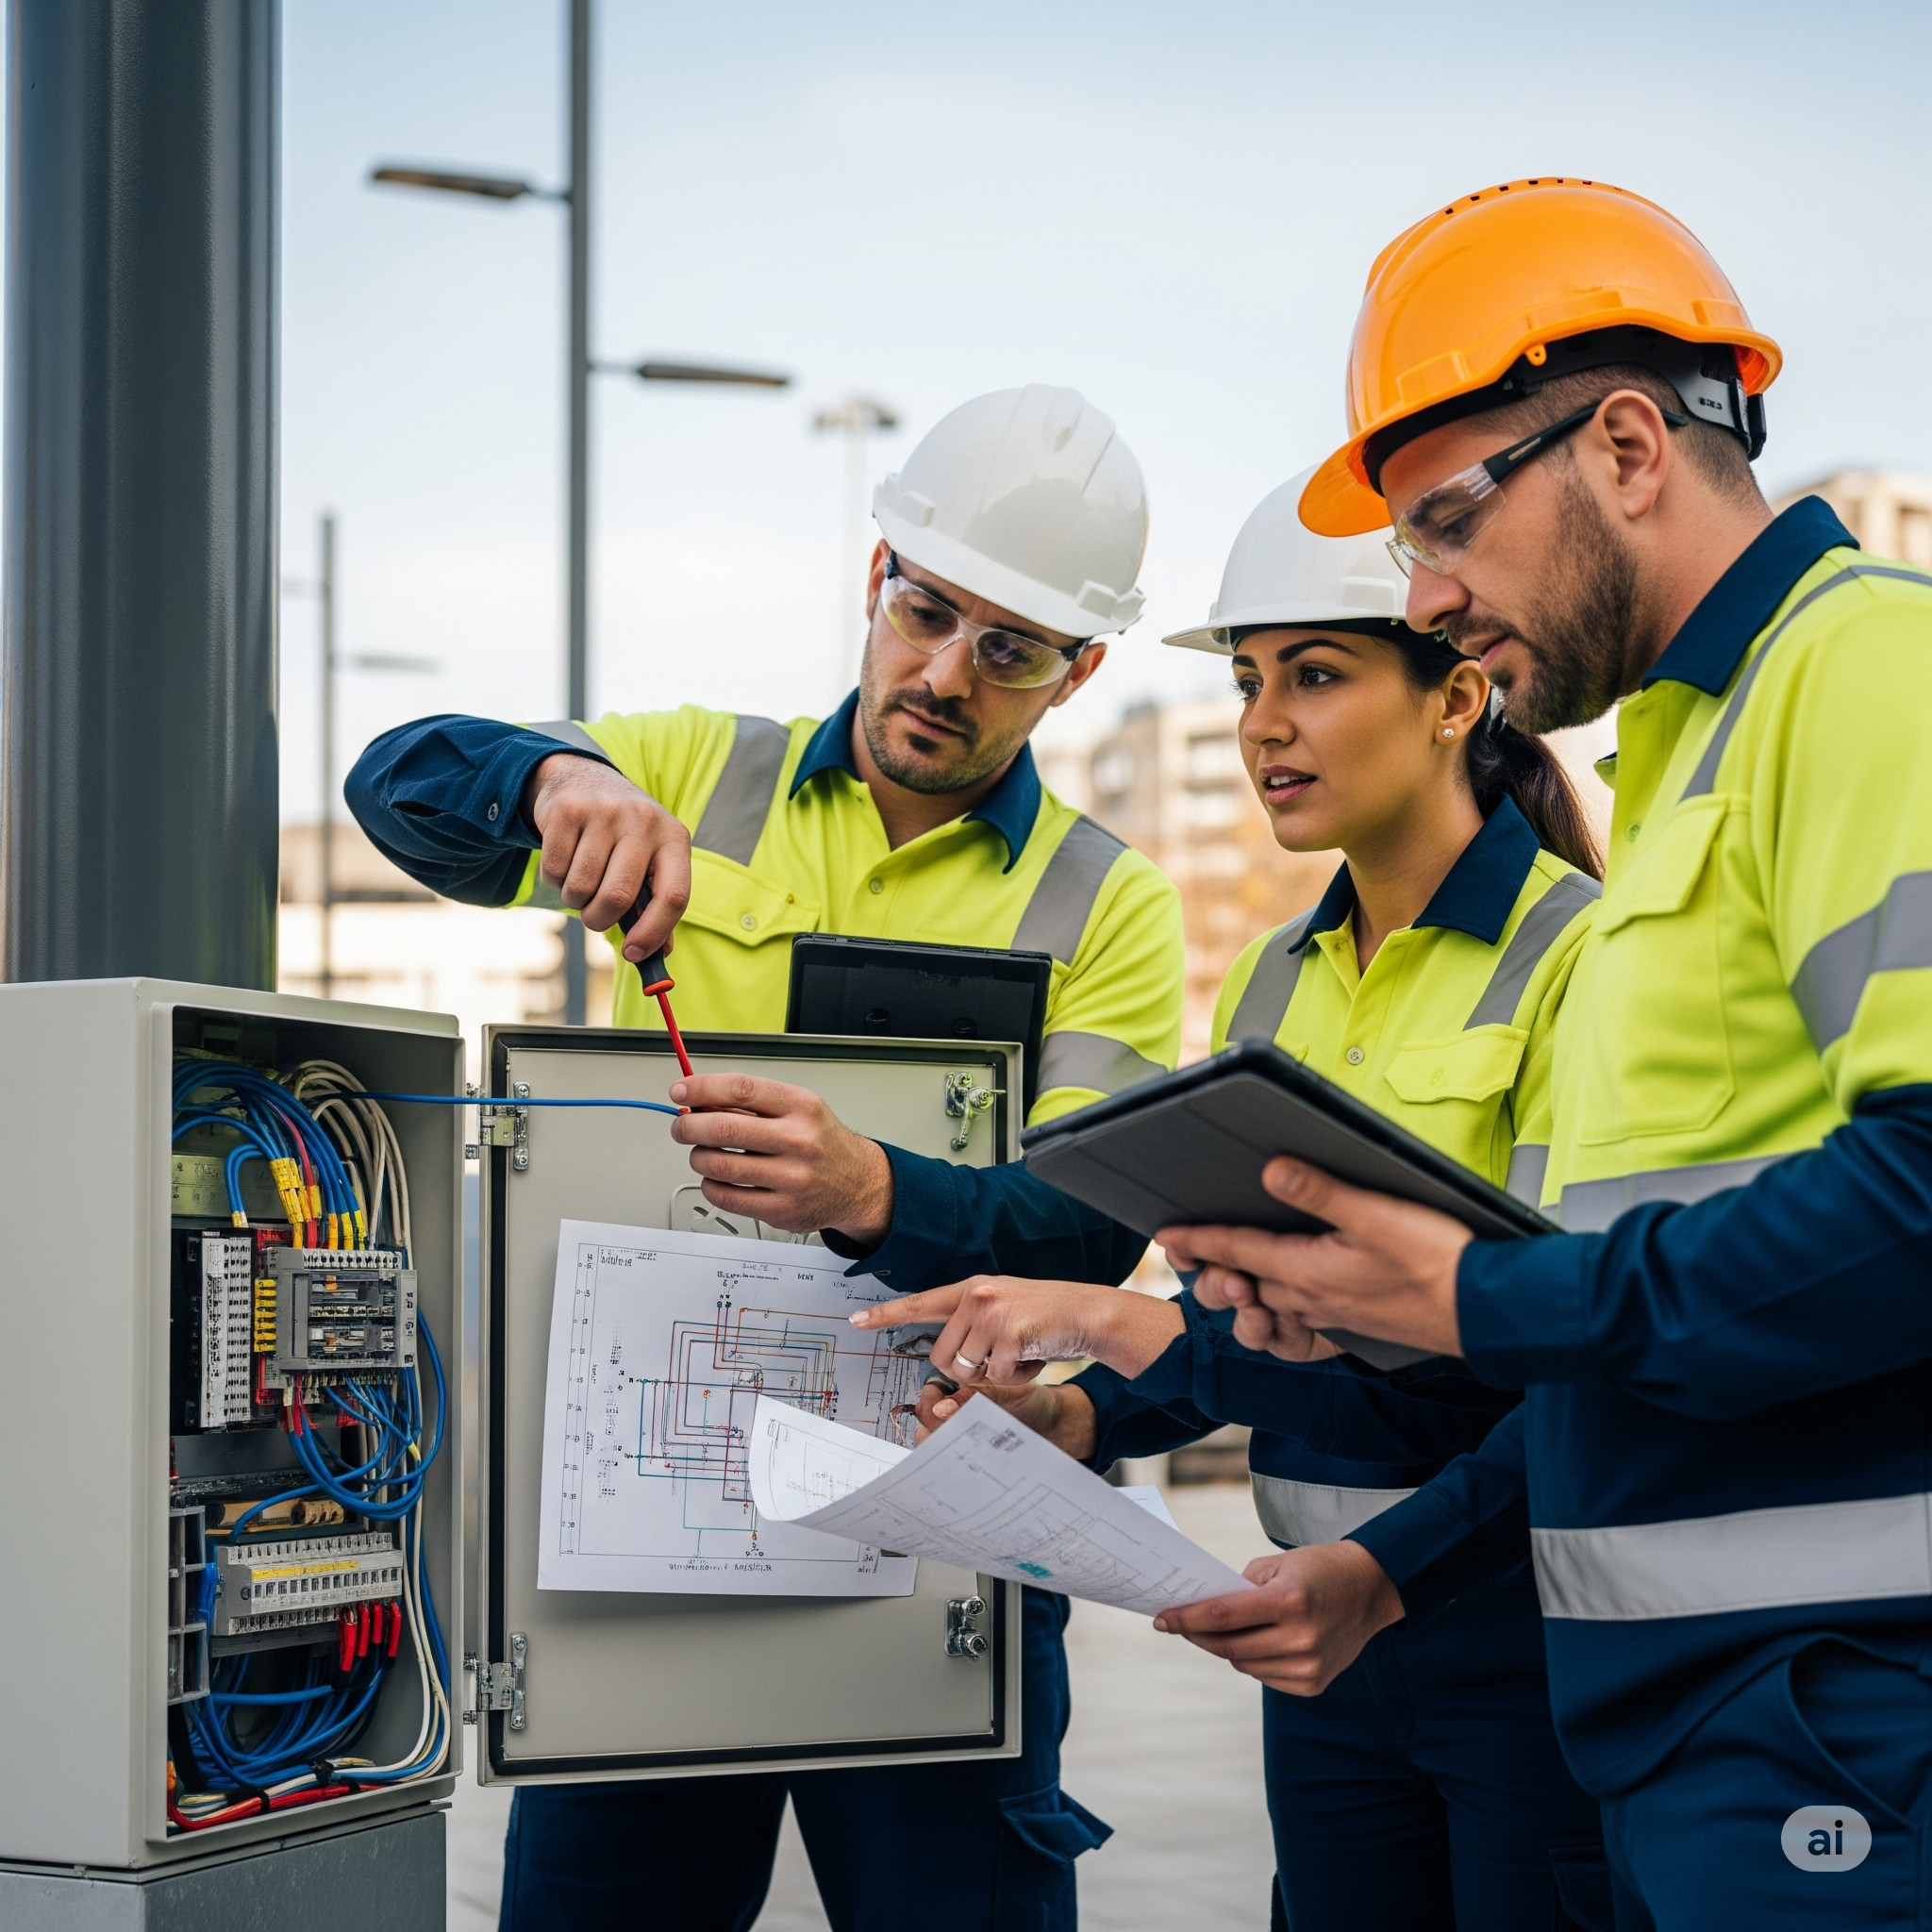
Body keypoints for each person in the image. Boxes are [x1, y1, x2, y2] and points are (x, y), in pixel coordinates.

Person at [1160, 177, 1932, 1931]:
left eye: (1443, 522)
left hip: (1844, 1723)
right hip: (1699, 1723)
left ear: (1632, 447)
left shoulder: (1871, 671)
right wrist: (1364, 1302)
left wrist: (1479, 1302)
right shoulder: (1681, 773)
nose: (1428, 596)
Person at [345, 386, 1185, 1932]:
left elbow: (1086, 1234)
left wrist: (878, 1194)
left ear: (1080, 675)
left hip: (948, 1553)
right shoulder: (688, 767)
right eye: (927, 613)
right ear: (877, 581)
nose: (945, 675)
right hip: (646, 1567)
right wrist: (549, 782)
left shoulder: (1106, 904)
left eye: (1009, 651)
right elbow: (395, 782)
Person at [861, 475, 1609, 1930]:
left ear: (1458, 697)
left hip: (1511, 1637)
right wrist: (1080, 1418)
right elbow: (1246, 1315)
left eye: (1316, 676)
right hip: (1314, 1646)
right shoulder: (1275, 975)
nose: (1262, 724)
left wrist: (1383, 1573)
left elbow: (1571, 1368)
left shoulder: (1583, 962)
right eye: (1252, 680)